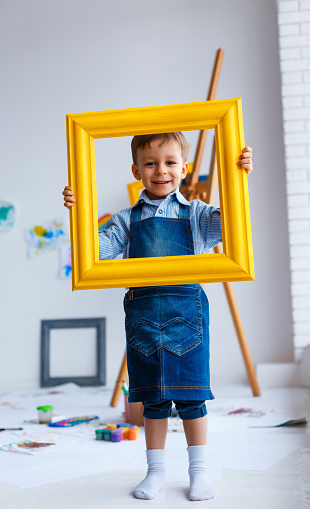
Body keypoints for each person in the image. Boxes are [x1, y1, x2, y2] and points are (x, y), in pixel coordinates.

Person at [63, 133, 253, 501]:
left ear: (184, 169)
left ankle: (199, 473)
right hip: (143, 321)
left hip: (188, 320)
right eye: (150, 163)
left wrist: (238, 177)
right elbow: (95, 253)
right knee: (152, 402)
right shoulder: (125, 220)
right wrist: (78, 214)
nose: (160, 170)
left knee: (192, 401)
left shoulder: (198, 214)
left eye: (169, 162)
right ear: (137, 170)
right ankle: (156, 472)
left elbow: (232, 223)